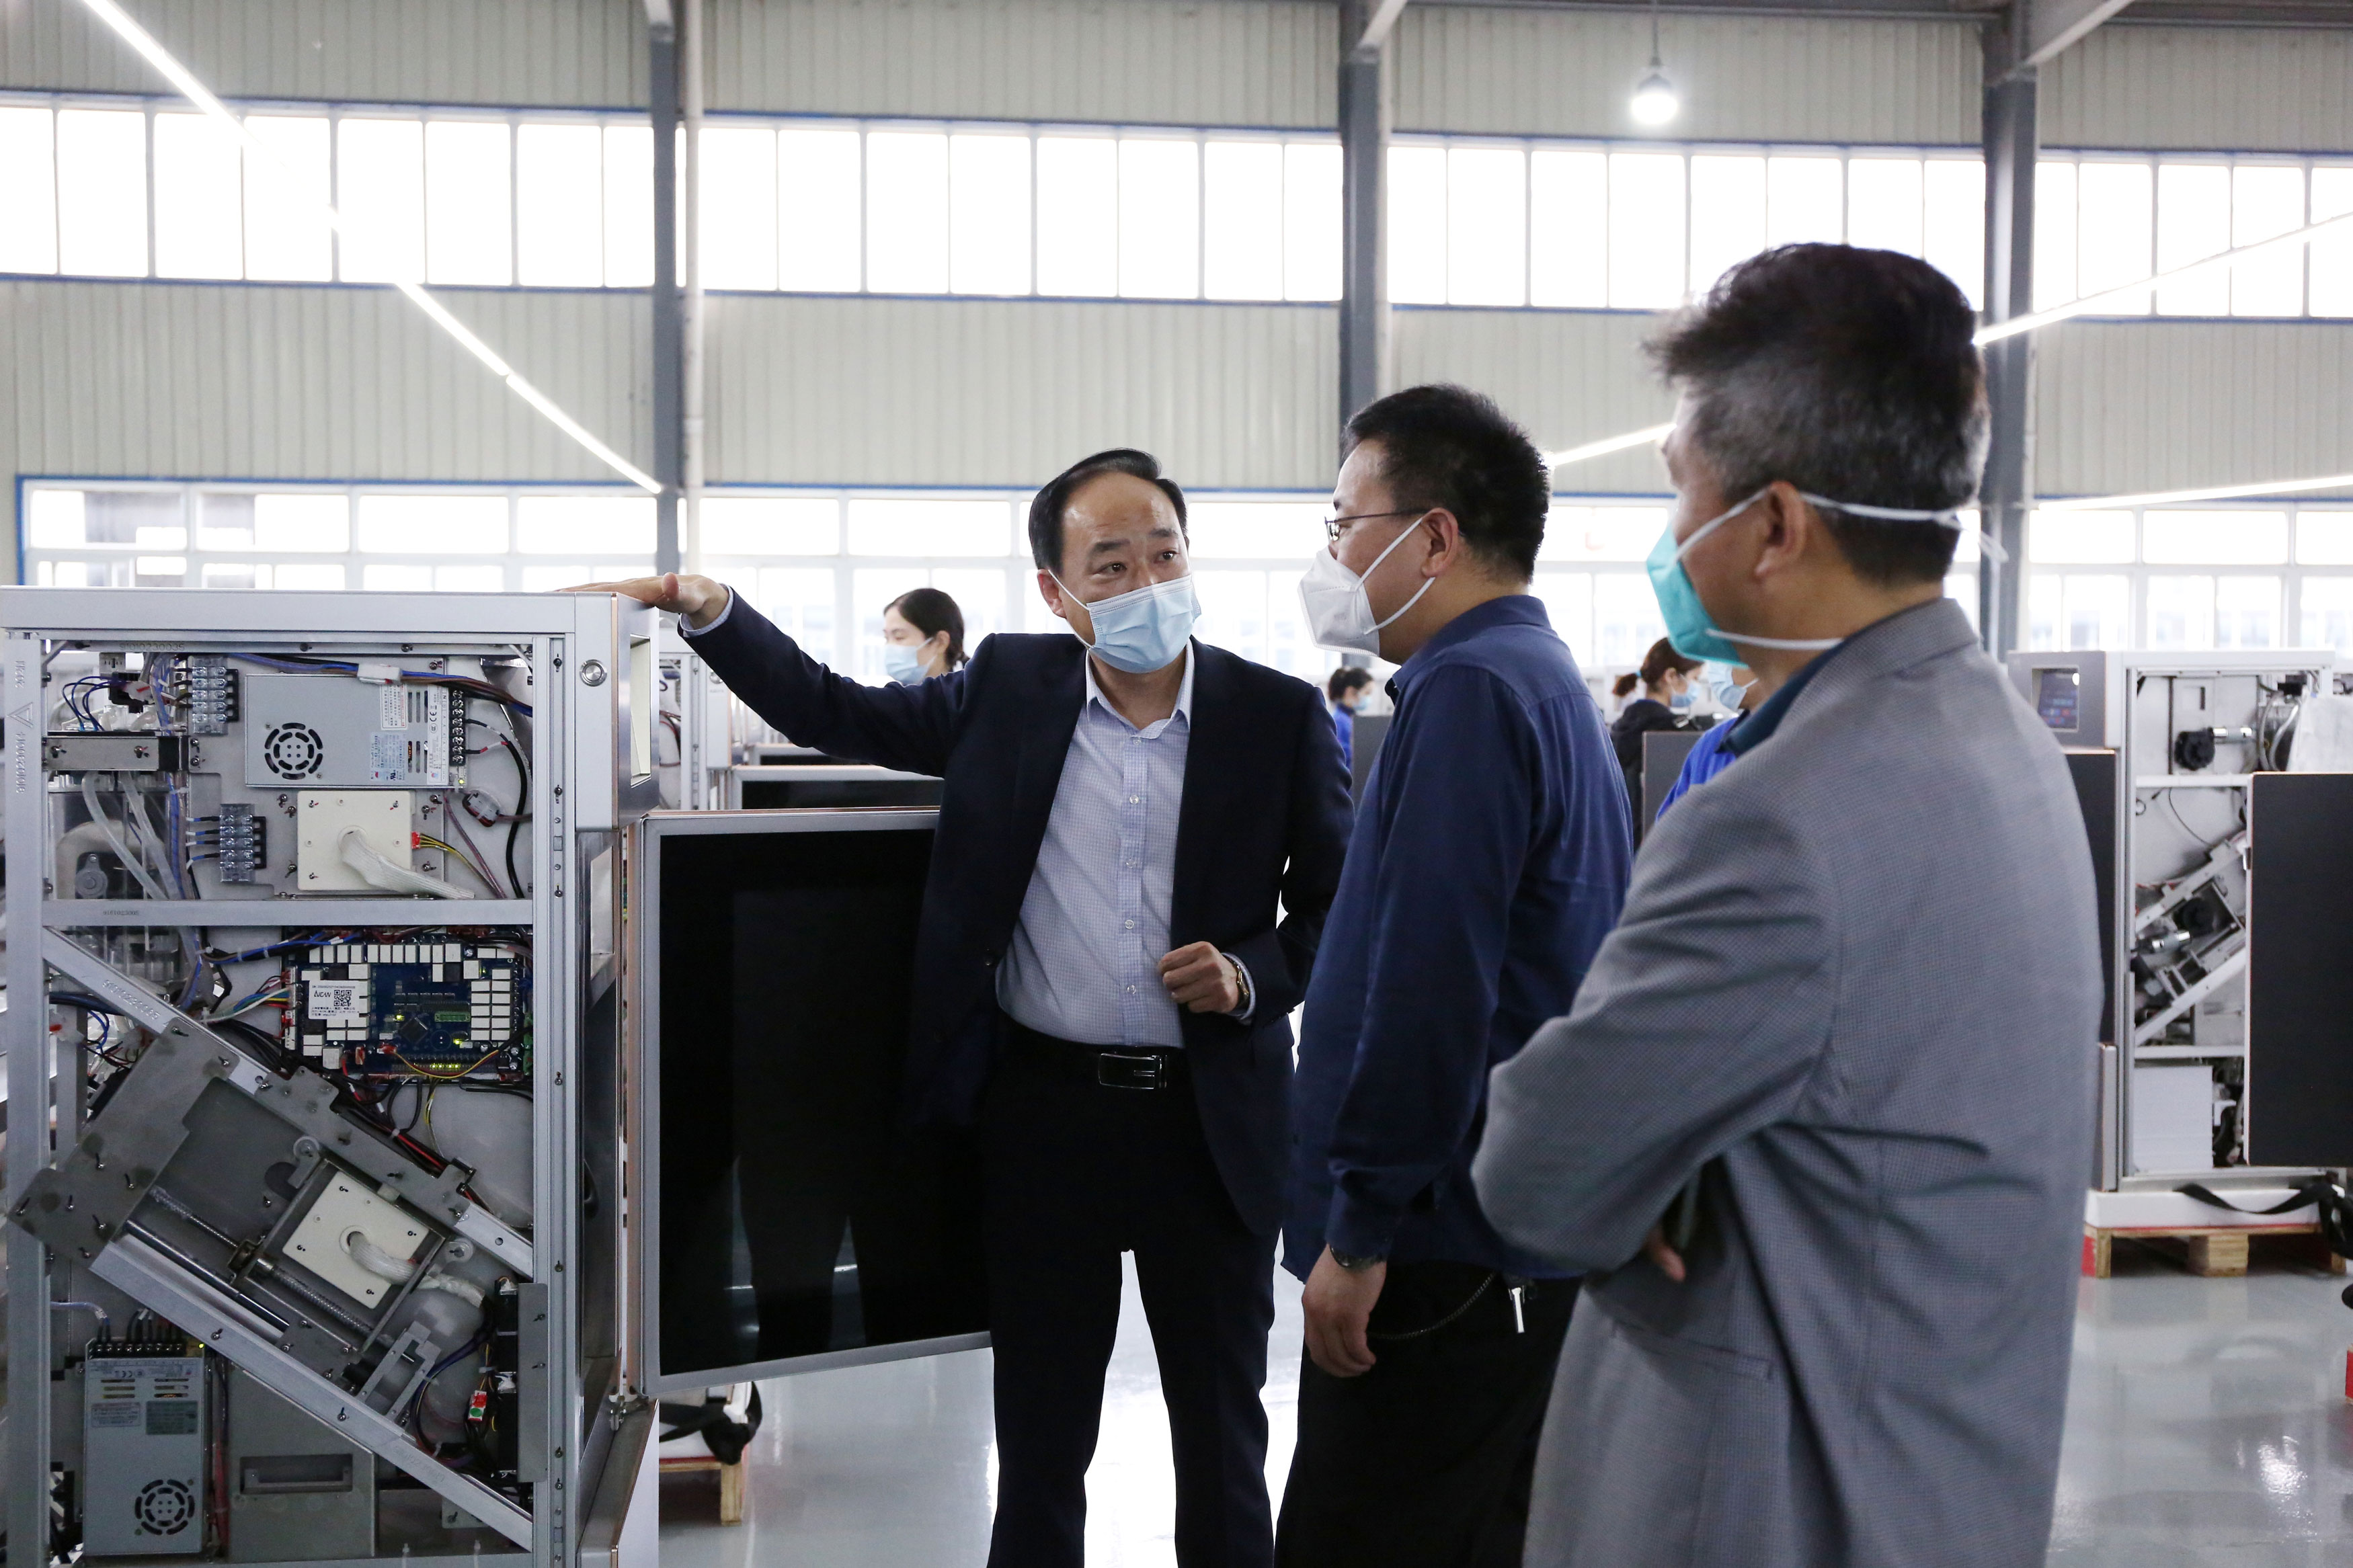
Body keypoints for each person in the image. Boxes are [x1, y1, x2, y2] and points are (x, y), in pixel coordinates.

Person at [586, 448, 1353, 1568]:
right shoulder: (1008, 689)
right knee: (1040, 1439)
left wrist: (1252, 976)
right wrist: (709, 608)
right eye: (1111, 564)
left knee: (1223, 1436)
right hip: (1048, 1120)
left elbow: (1339, 906)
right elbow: (834, 709)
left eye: (1165, 554)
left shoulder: (1275, 715)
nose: (1147, 582)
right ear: (1057, 591)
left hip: (1211, 1122)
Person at [1471, 244, 2102, 1568]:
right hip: (1942, 1477)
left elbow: (1539, 1170)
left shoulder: (1782, 816)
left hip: (1770, 1503)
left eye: (1678, 488)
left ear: (1772, 526)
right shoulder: (2004, 741)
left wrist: (1650, 1162)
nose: (1669, 534)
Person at [1280, 384, 1634, 1566]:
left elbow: (1430, 991)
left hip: (1440, 1252)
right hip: (1508, 1241)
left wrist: (1359, 1230)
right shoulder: (1535, 676)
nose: (1333, 556)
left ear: (1433, 538)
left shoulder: (1471, 693)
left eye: (1345, 523)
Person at [1607, 636, 1702, 815]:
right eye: (1695, 678)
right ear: (1671, 676)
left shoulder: (1618, 729)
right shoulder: (1677, 733)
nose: (1696, 687)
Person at [1653, 660, 1760, 815]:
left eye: (1726, 656)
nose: (1717, 669)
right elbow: (1670, 824)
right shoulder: (1712, 743)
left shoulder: (1795, 741)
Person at [881, 585, 967, 684]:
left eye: (899, 637)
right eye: (886, 638)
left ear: (940, 642)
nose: (890, 646)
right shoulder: (896, 691)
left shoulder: (971, 689)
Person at [1326, 665, 1374, 769]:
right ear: (1351, 692)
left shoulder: (1348, 720)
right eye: (1367, 693)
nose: (1369, 699)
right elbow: (1347, 761)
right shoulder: (1340, 722)